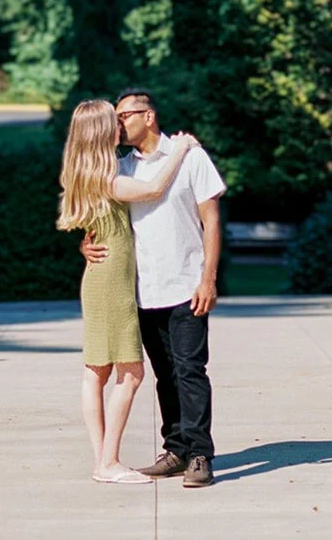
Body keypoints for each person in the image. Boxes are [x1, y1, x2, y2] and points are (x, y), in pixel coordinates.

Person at [82, 88, 226, 489]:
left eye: (124, 116)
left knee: (191, 370)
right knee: (165, 375)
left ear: (148, 116)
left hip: (186, 284)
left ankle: (200, 454)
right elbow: (102, 218)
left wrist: (208, 277)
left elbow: (211, 221)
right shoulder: (121, 168)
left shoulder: (191, 156)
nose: (118, 124)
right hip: (142, 291)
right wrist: (85, 243)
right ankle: (176, 448)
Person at [56, 99, 198, 485]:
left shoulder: (82, 174)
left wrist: (85, 247)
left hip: (100, 279)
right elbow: (153, 189)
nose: (120, 126)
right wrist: (181, 149)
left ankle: (103, 460)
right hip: (113, 283)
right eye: (112, 122)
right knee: (131, 373)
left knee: (95, 371)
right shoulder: (108, 178)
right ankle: (109, 461)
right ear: (101, 132)